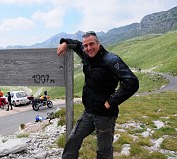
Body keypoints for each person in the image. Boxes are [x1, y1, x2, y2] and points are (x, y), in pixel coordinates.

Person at [57, 31, 139, 159]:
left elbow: (131, 82)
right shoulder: (86, 55)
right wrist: (65, 43)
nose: (88, 48)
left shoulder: (111, 60)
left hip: (105, 115)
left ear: (98, 43)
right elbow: (77, 44)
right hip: (88, 112)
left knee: (104, 152)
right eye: (86, 46)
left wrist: (112, 101)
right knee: (73, 139)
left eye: (91, 44)